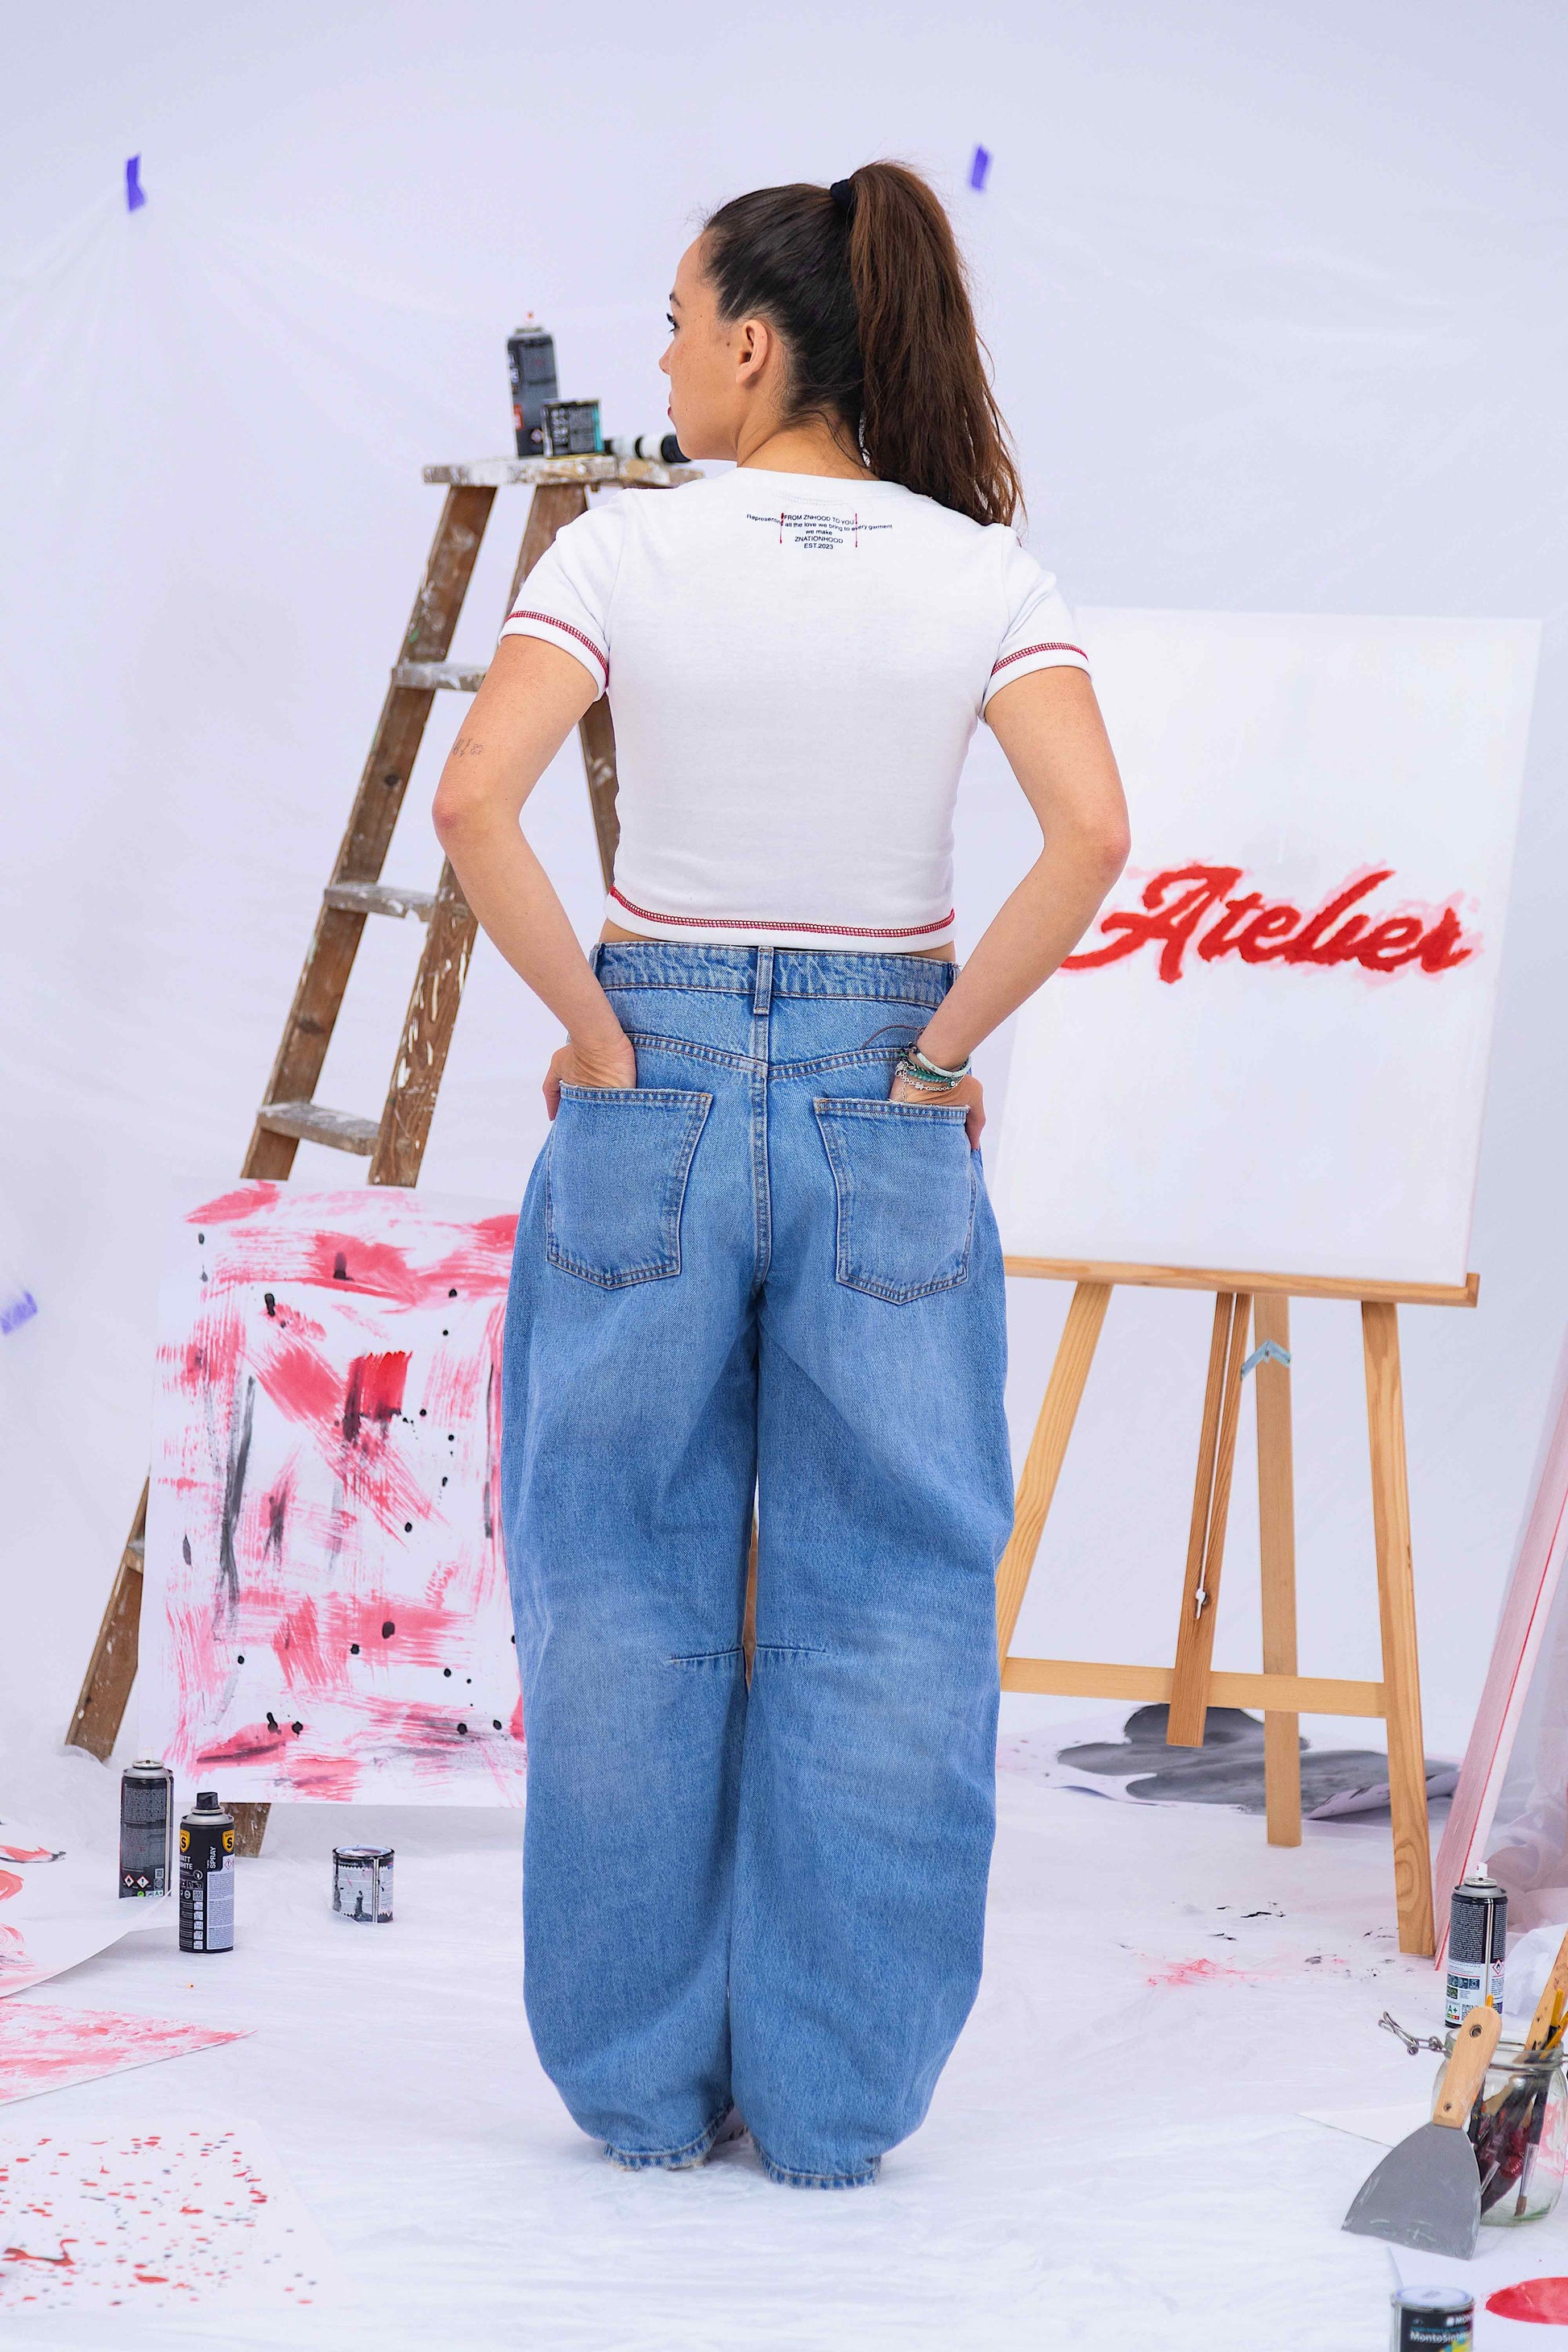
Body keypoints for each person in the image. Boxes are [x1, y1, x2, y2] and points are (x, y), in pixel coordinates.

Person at [433, 161, 1129, 2190]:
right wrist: (936, 1053)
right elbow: (1090, 834)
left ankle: (641, 2093)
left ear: (751, 344)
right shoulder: (982, 572)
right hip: (876, 1100)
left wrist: (597, 1032)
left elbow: (474, 801)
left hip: (647, 1091)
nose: (658, 358)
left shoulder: (621, 548)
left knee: (617, 1580)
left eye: (675, 320)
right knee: (892, 1597)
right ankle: (835, 2107)